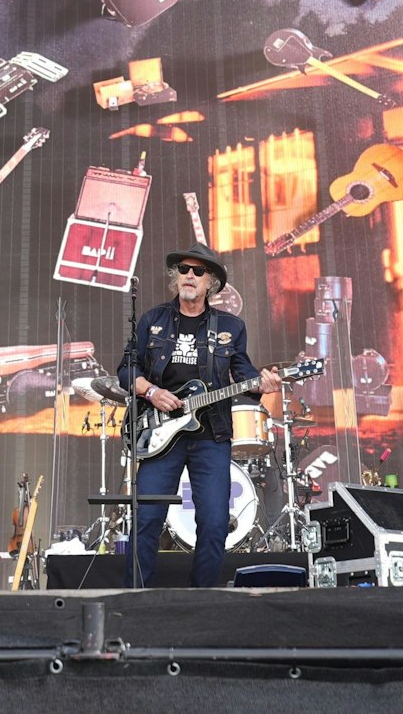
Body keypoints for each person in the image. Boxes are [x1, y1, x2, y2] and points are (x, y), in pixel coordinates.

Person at [120, 243, 280, 587]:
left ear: (212, 283)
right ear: (175, 278)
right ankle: (134, 598)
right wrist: (151, 391)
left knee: (214, 521)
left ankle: (202, 597)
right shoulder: (152, 320)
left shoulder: (230, 327)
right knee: (146, 516)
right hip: (160, 434)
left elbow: (244, 374)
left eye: (198, 271)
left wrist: (262, 383)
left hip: (211, 435)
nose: (189, 276)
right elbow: (126, 369)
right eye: (184, 270)